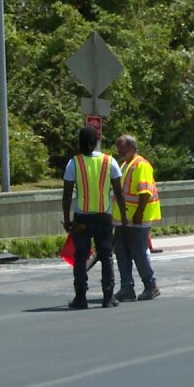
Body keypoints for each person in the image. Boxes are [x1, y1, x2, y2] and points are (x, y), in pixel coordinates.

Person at [62, 125, 127, 309]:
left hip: (82, 217)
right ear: (96, 141)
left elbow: (67, 194)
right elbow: (119, 192)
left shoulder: (74, 163)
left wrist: (67, 219)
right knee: (106, 256)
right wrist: (122, 215)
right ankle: (108, 296)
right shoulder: (110, 161)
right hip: (103, 216)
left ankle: (81, 297)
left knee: (80, 257)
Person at [112, 135, 162, 302]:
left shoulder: (141, 165)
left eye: (122, 149)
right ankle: (127, 287)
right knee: (122, 252)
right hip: (125, 218)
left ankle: (150, 285)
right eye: (118, 149)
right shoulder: (126, 164)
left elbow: (145, 192)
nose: (119, 152)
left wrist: (139, 212)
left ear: (132, 148)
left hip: (137, 219)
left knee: (138, 253)